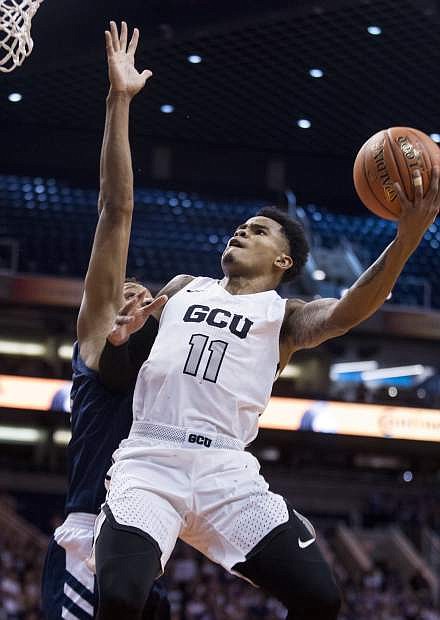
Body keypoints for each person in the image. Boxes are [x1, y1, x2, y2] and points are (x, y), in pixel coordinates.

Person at [94, 23, 440, 620]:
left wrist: (406, 239)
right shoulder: (180, 289)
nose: (241, 231)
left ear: (283, 260)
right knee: (120, 598)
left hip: (229, 469)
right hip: (150, 459)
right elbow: (116, 372)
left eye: (258, 230)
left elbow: (354, 306)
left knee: (321, 599)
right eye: (241, 226)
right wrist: (119, 339)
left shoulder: (285, 318)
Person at [41, 22, 169, 619]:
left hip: (151, 543)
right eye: (124, 290)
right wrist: (119, 100)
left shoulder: (162, 369)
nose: (132, 295)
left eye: (143, 295)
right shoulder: (96, 342)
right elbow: (116, 210)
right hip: (90, 540)